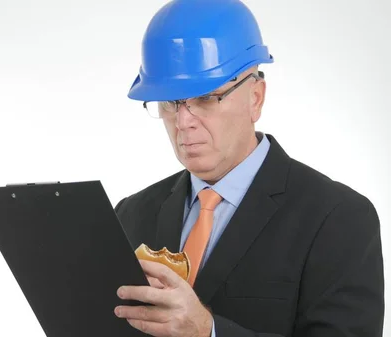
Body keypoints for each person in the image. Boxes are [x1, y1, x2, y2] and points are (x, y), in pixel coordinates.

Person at [112, 0, 384, 336]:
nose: (183, 122)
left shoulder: (337, 218)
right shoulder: (131, 214)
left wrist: (208, 331)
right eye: (170, 102)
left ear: (255, 97)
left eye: (206, 98)